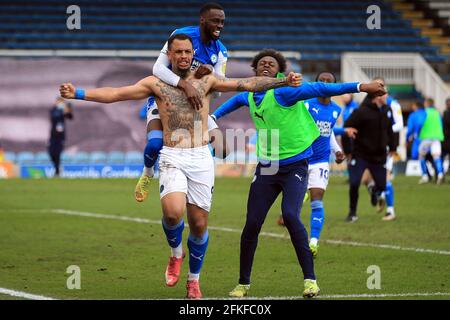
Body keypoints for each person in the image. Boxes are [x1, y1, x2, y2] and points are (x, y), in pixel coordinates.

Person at [59, 34, 301, 299]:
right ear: (169, 55)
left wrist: (282, 81)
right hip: (172, 155)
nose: (184, 56)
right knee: (173, 214)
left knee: (198, 225)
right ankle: (176, 253)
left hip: (200, 158)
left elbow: (247, 83)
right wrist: (78, 93)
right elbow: (117, 94)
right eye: (178, 52)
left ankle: (193, 281)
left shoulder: (206, 80)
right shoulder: (156, 83)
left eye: (188, 52)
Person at [211, 49, 386, 298]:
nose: (266, 66)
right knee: (251, 224)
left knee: (291, 215)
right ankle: (243, 284)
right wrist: (212, 117)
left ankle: (310, 280)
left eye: (271, 64)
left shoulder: (284, 92)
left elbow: (319, 89)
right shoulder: (250, 94)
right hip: (268, 167)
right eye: (261, 63)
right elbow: (234, 101)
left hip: (295, 164)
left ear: (279, 71)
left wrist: (362, 86)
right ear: (254, 70)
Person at [135, 2, 228, 202]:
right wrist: (185, 85)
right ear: (203, 20)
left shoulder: (221, 52)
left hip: (194, 107)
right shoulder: (180, 36)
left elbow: (219, 92)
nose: (220, 25)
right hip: (165, 101)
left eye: (222, 22)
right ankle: (148, 172)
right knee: (154, 145)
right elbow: (158, 69)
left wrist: (209, 75)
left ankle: (194, 179)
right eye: (215, 21)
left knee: (223, 150)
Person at [343, 88, 397, 223]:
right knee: (354, 184)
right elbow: (346, 128)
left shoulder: (387, 110)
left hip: (379, 156)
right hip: (360, 155)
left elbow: (391, 130)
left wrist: (393, 147)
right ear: (377, 96)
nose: (387, 96)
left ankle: (374, 190)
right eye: (385, 94)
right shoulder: (361, 112)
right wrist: (348, 151)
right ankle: (352, 213)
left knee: (382, 185)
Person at [362, 77, 404, 221]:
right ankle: (379, 194)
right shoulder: (368, 104)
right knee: (366, 179)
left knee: (385, 178)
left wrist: (383, 130)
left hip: (385, 146)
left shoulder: (393, 104)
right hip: (371, 146)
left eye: (380, 84)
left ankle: (390, 211)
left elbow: (399, 124)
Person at [417, 98, 445, 185]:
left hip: (426, 137)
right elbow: (441, 124)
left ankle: (425, 176)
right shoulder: (437, 113)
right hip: (437, 137)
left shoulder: (425, 112)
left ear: (427, 103)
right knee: (436, 156)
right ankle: (440, 174)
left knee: (421, 156)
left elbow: (420, 123)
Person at [48, 98, 73, 177]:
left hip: (60, 137)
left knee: (58, 153)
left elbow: (70, 116)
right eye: (58, 102)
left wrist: (68, 109)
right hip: (53, 136)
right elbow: (53, 117)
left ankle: (57, 171)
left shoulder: (64, 110)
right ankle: (57, 168)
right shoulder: (54, 110)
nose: (60, 104)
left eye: (61, 102)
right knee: (51, 152)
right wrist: (61, 110)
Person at [441, 97, 450, 177]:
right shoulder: (445, 113)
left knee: (441, 156)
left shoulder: (445, 113)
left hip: (446, 140)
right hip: (446, 139)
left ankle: (441, 172)